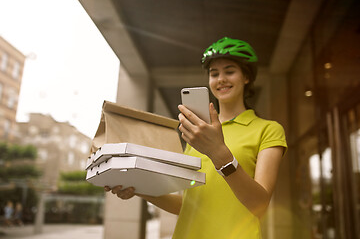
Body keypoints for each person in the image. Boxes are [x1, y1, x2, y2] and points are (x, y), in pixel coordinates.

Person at [105, 37, 287, 239]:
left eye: (229, 71)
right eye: (214, 73)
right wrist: (139, 189)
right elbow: (187, 203)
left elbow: (260, 205)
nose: (220, 79)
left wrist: (219, 153)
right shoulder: (198, 134)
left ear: (246, 77)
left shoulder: (268, 129)